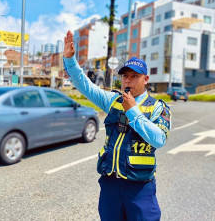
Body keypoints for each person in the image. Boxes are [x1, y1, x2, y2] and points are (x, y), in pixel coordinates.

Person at [63, 30, 171, 221]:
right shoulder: (112, 100)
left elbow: (159, 139)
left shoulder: (157, 107)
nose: (128, 80)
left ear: (146, 79)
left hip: (139, 186)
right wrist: (70, 60)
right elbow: (85, 85)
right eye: (125, 76)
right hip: (110, 182)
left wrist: (133, 111)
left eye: (134, 76)